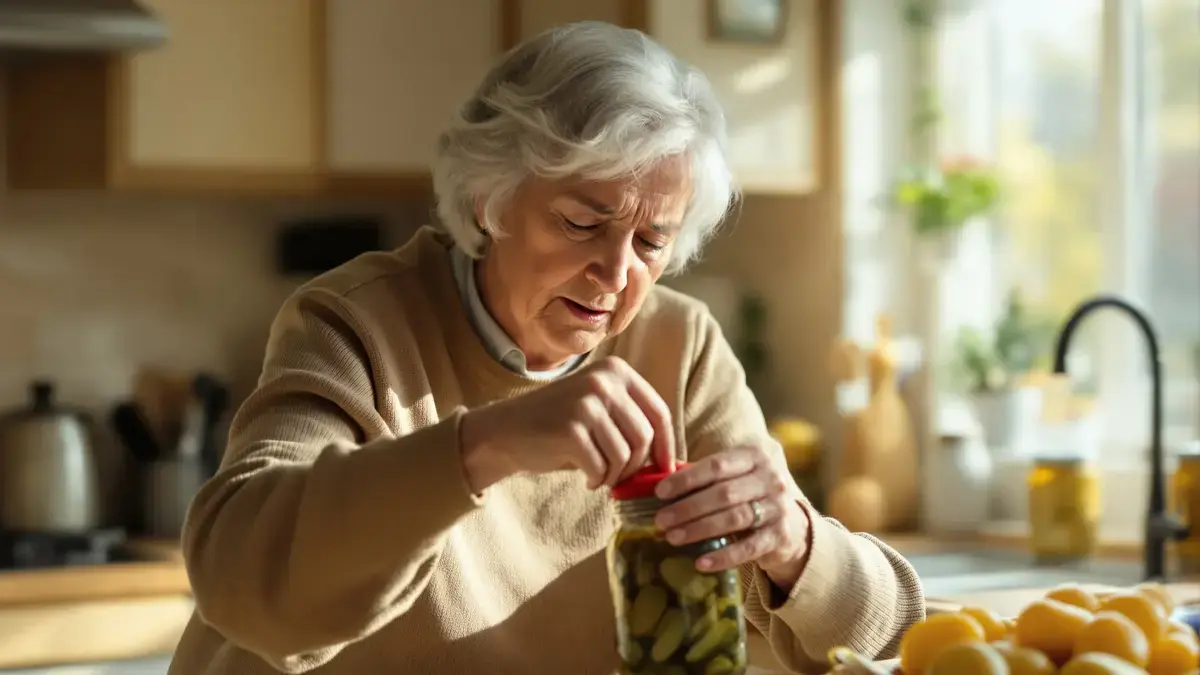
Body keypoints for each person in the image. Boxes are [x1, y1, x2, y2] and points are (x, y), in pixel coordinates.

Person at [168, 21, 924, 675]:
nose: (617, 271)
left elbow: (898, 637)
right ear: (486, 200)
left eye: (652, 239)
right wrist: (483, 445)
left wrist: (795, 543)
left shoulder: (677, 344)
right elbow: (240, 575)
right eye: (580, 223)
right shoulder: (356, 323)